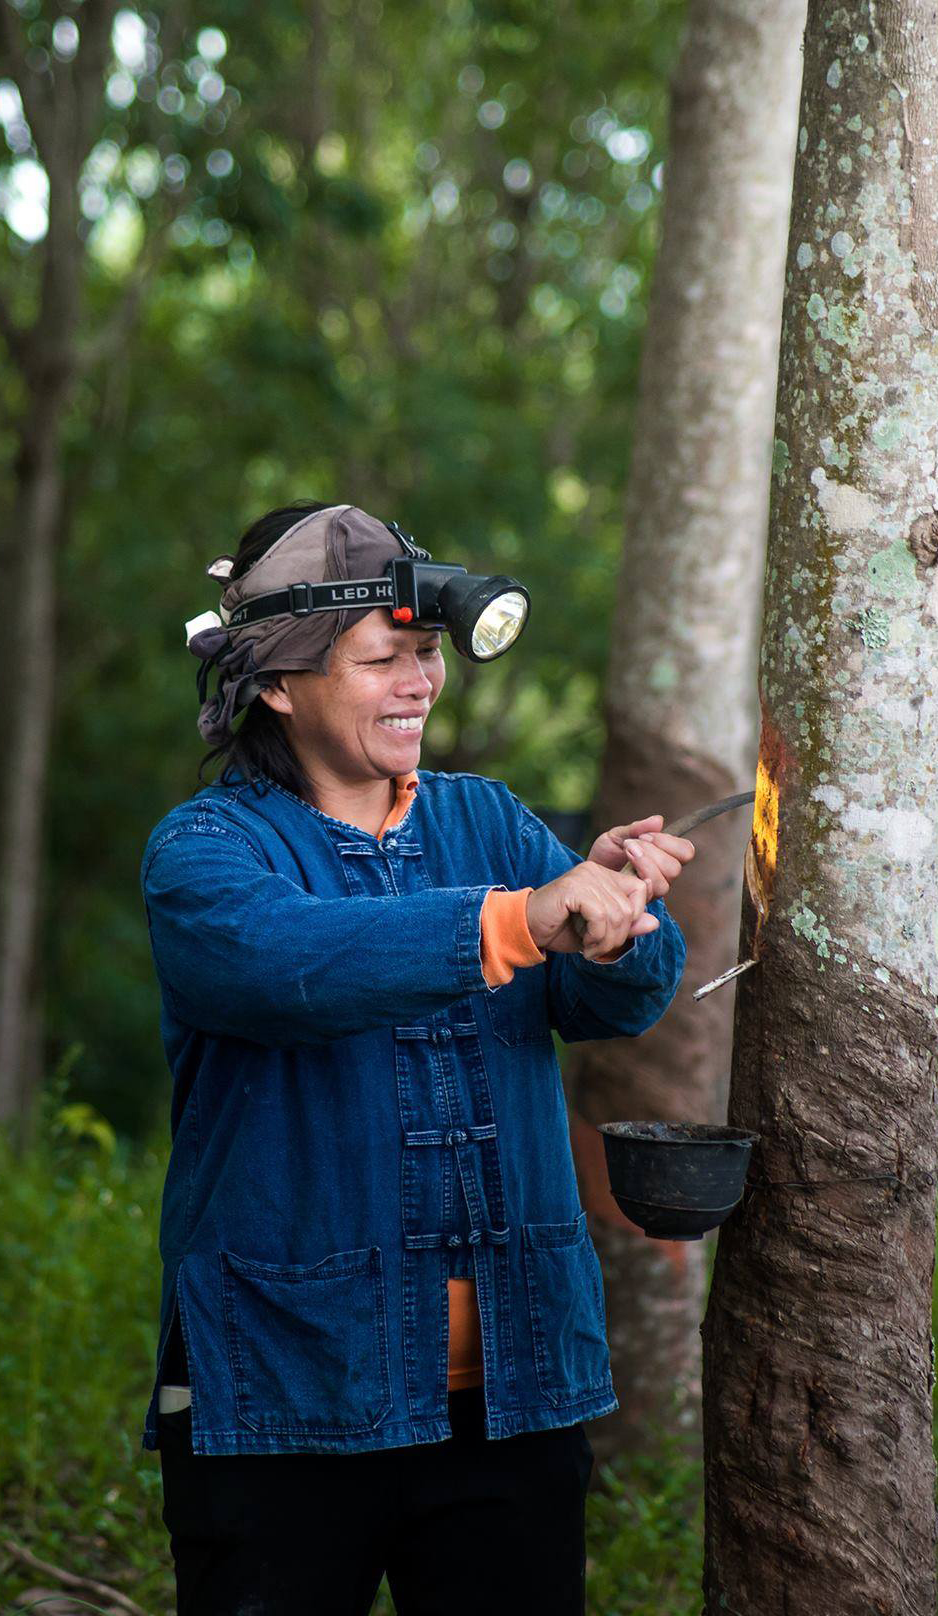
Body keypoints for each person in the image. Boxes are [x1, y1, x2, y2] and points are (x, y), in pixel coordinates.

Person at [137, 500, 693, 1615]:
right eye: (381, 658)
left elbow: (610, 1002)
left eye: (427, 653)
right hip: (281, 1390)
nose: (419, 682)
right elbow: (288, 964)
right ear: (281, 684)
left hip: (512, 1389)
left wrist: (620, 910)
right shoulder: (203, 851)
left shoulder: (485, 819)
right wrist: (523, 919)